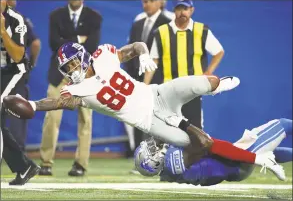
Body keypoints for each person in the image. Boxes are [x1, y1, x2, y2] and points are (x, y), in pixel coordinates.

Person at [5, 42, 283, 179]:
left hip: (157, 94)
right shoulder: (77, 92)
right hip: (151, 122)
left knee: (208, 81)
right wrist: (31, 105)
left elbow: (134, 48)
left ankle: (216, 88)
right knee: (203, 143)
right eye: (66, 70)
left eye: (71, 66)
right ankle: (255, 157)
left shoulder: (103, 56)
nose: (70, 73)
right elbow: (55, 102)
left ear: (83, 58)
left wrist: (144, 53)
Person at [40, 0, 102, 176]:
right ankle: (46, 162)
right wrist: (77, 40)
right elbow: (54, 43)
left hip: (85, 75)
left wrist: (66, 41)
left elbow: (92, 46)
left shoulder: (94, 17)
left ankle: (80, 165)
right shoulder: (55, 16)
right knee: (51, 117)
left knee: (85, 120)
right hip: (58, 75)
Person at [134, 118, 292, 183]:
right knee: (284, 124)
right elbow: (210, 144)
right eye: (152, 149)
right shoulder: (175, 158)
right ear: (154, 161)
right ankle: (261, 158)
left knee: (273, 151)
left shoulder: (168, 172)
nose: (155, 144)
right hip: (236, 162)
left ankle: (262, 158)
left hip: (234, 169)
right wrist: (183, 124)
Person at [149, 0, 225, 131]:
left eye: (185, 8)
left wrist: (209, 72)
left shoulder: (201, 30)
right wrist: (146, 86)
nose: (182, 12)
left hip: (193, 90)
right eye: (179, 8)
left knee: (195, 128)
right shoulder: (161, 32)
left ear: (191, 10)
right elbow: (153, 60)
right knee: (169, 128)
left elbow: (219, 52)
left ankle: (195, 152)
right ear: (174, 11)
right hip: (169, 90)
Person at [124, 0, 171, 159]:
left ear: (161, 3)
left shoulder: (168, 24)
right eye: (145, 1)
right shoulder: (138, 24)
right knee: (138, 117)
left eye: (151, 1)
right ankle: (140, 156)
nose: (147, 4)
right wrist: (130, 78)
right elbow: (130, 52)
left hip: (159, 80)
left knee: (158, 118)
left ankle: (158, 155)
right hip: (137, 80)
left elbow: (168, 56)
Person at [0, 0, 40, 185]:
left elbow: (17, 56)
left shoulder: (16, 19)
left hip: (14, 71)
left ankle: (23, 166)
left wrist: (1, 30)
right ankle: (24, 167)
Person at [6, 0, 41, 151]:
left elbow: (34, 45)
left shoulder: (19, 19)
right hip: (15, 73)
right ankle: (17, 154)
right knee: (17, 112)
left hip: (12, 72)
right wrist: (31, 63)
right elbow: (35, 44)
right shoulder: (19, 19)